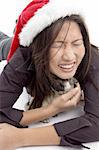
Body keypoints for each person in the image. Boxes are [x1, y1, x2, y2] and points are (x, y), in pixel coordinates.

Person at [0, 0, 99, 150]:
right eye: (57, 44)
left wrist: (20, 138)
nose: (69, 56)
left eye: (77, 43)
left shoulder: (91, 56)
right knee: (3, 43)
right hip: (11, 47)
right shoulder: (24, 57)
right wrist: (51, 109)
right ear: (39, 47)